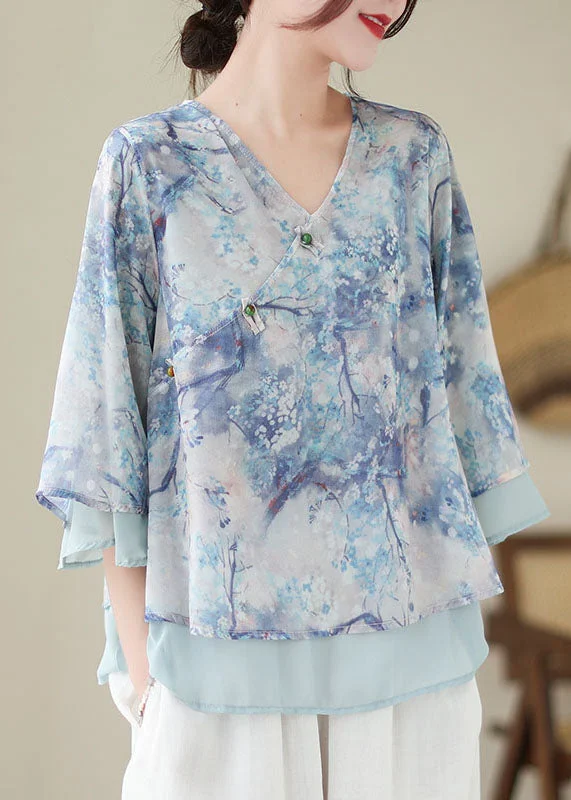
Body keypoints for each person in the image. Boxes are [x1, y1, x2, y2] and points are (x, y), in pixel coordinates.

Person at [35, 1, 551, 798]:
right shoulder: (149, 164)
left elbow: (460, 398)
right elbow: (107, 429)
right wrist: (146, 684)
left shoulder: (411, 160)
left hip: (404, 679)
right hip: (211, 668)